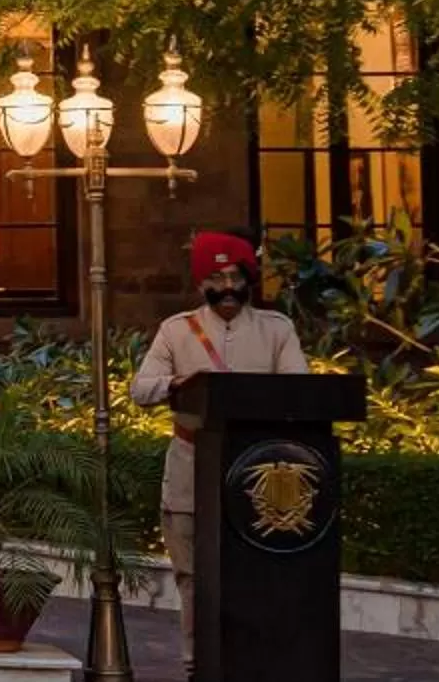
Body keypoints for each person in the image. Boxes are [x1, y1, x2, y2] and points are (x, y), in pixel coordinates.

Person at [127, 232, 309, 647]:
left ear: (248, 280)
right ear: (200, 285)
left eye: (235, 276)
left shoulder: (277, 330)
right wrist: (181, 384)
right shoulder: (176, 332)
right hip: (192, 468)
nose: (227, 287)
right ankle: (199, 666)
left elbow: (299, 390)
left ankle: (256, 666)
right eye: (216, 277)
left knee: (257, 573)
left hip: (257, 473)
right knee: (193, 575)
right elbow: (140, 391)